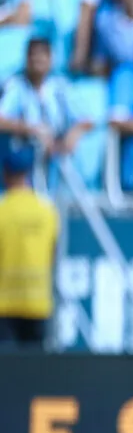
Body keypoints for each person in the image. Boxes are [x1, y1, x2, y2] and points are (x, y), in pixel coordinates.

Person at [0, 145, 58, 350]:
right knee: (35, 375)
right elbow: (53, 255)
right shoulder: (46, 210)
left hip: (5, 303)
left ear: (6, 174)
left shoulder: (2, 209)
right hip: (37, 301)